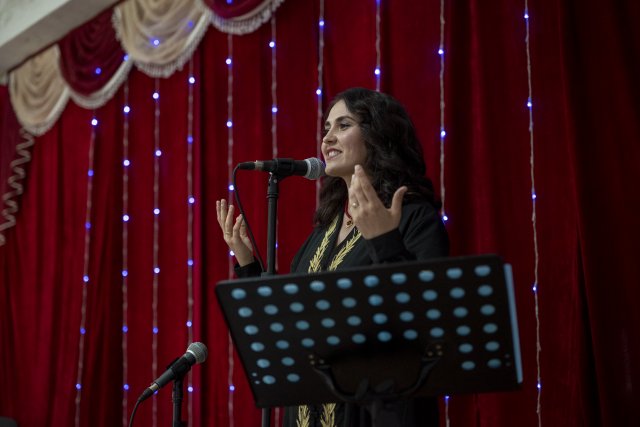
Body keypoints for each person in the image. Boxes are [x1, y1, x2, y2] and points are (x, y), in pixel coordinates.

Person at [216, 87, 448, 426]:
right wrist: (249, 265)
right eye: (326, 128)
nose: (327, 138)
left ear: (377, 134)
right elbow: (284, 329)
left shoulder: (414, 217)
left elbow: (424, 318)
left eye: (343, 125)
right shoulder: (323, 232)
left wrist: (384, 240)